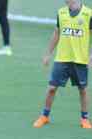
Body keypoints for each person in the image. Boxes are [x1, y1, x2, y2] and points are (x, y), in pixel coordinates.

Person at [33, 0, 92, 129]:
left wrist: (91, 56)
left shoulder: (88, 14)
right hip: (62, 58)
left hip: (80, 60)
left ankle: (85, 119)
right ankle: (44, 116)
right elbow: (57, 33)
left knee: (82, 90)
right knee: (52, 88)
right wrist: (48, 53)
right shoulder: (61, 12)